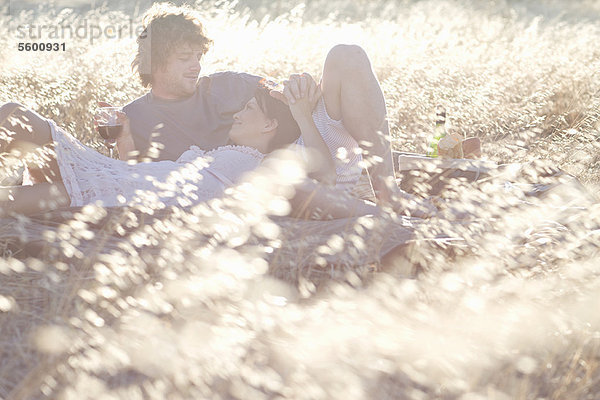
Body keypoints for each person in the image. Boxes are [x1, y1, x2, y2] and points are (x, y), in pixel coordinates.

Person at [0, 2, 435, 217]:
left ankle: (386, 187)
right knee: (12, 114)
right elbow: (142, 179)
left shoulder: (230, 84)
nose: (198, 64)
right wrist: (124, 139)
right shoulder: (137, 114)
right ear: (155, 62)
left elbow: (281, 97)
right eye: (185, 56)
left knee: (346, 52)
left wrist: (298, 90)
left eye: (198, 54)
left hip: (287, 164)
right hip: (186, 185)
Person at [0, 84, 380, 218]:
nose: (238, 111)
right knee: (13, 114)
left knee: (9, 200)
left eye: (249, 108)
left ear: (270, 126)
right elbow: (145, 172)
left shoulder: (262, 169)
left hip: (113, 195)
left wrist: (373, 209)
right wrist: (126, 140)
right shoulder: (222, 154)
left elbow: (317, 185)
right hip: (111, 175)